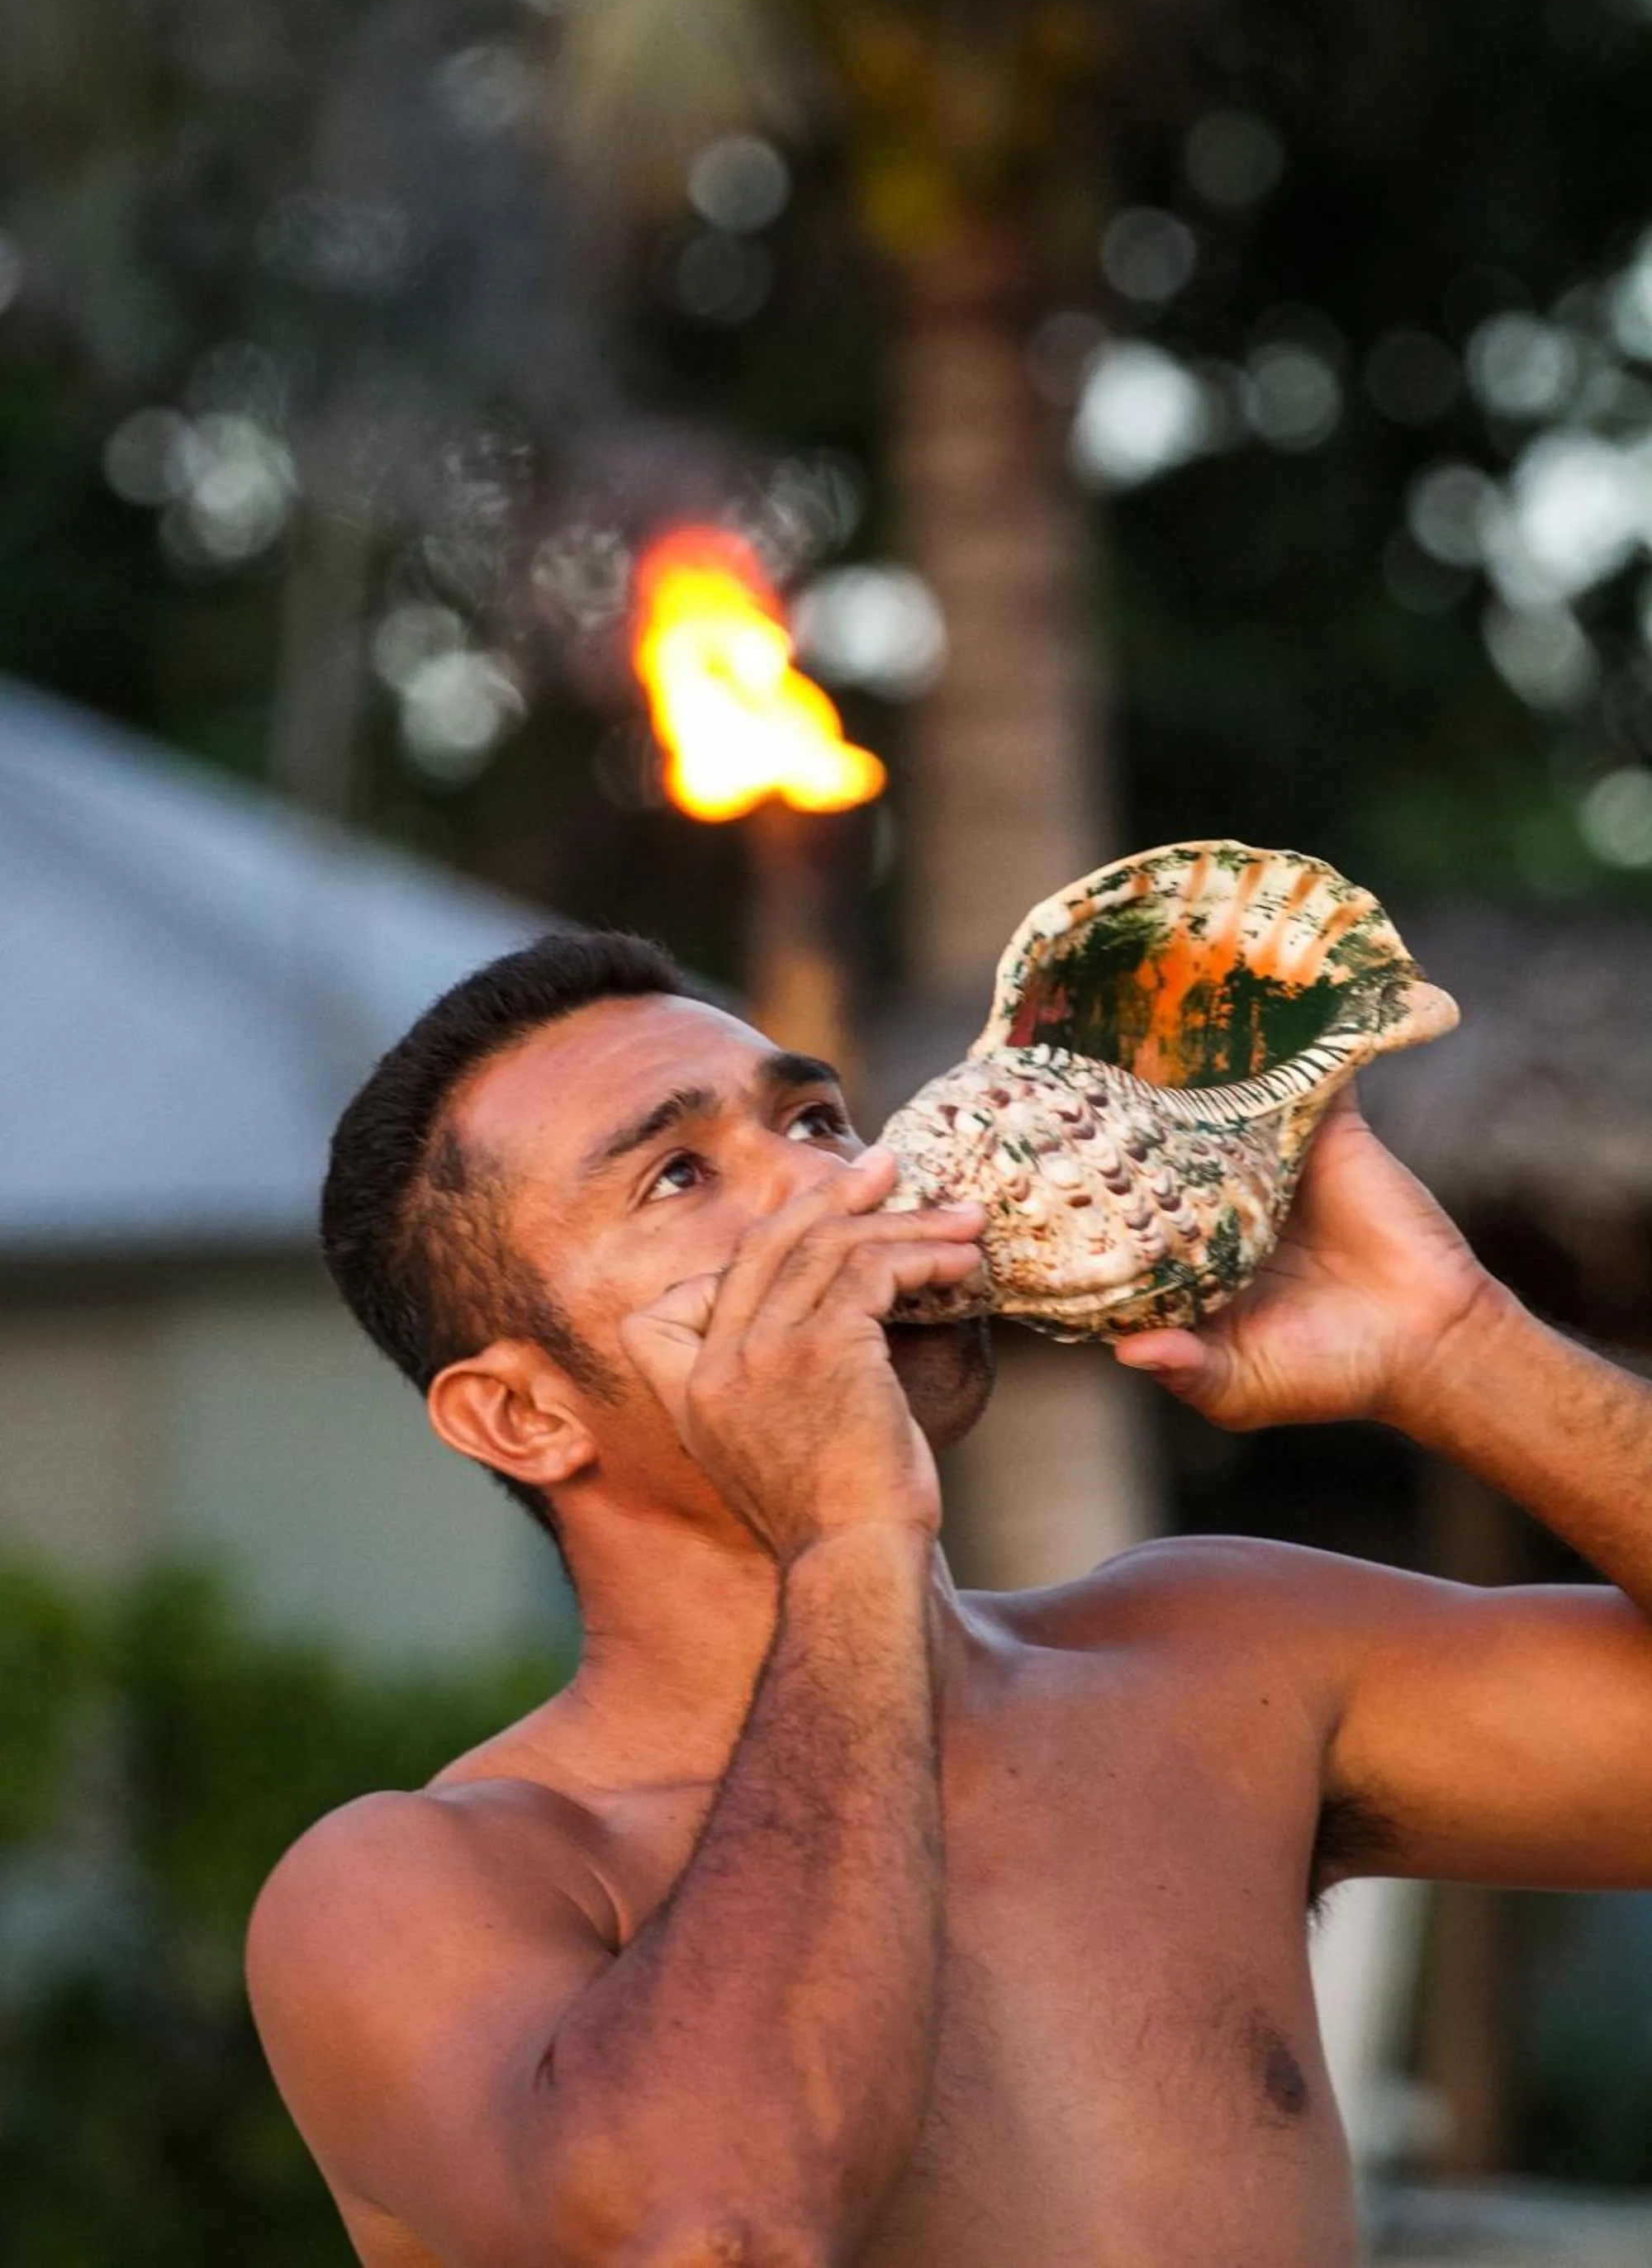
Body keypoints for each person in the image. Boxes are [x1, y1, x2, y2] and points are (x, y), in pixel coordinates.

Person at [247, 927, 1652, 2268]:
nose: (841, 1191)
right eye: (679, 1176)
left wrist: (1458, 1348)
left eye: (812, 1124)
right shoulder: (412, 1889)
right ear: (520, 1416)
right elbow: (712, 2236)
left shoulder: (1217, 1664)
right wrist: (847, 1529)